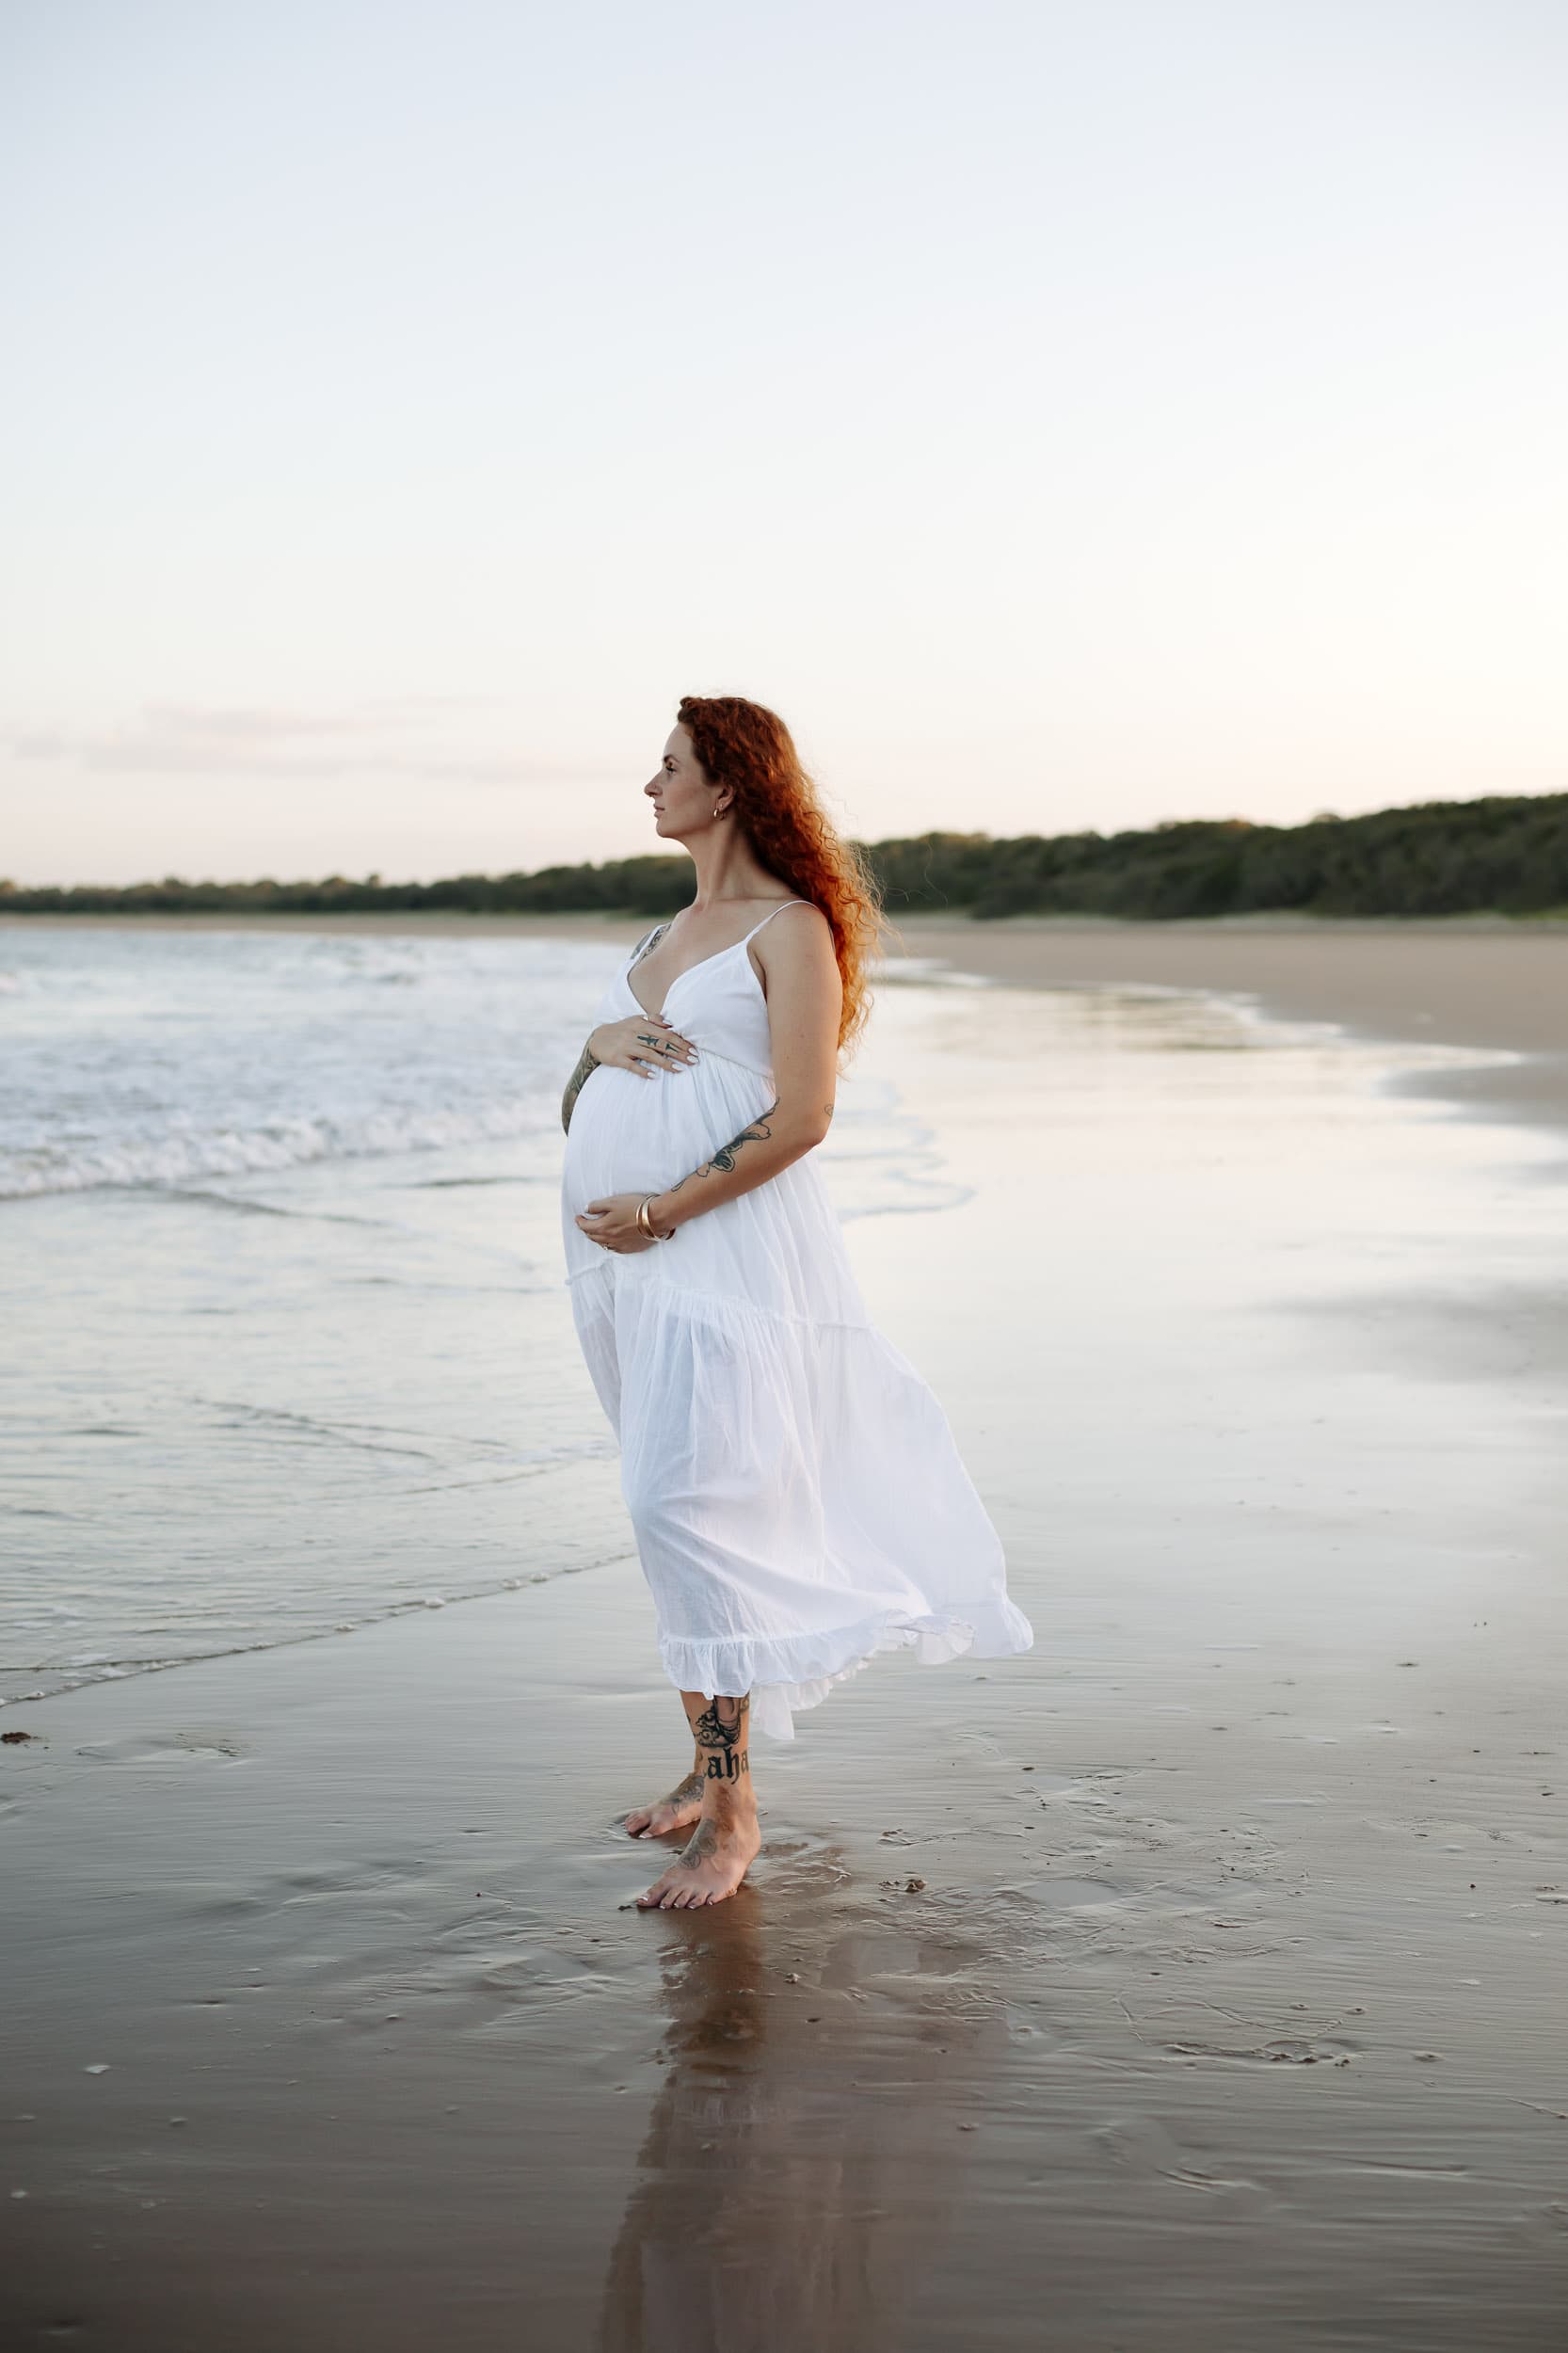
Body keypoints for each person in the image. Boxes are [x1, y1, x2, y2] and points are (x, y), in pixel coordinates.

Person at [559, 695, 1033, 1911]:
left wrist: (663, 1206)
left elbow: (804, 1115)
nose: (647, 786)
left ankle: (732, 1817)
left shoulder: (790, 928)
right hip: (622, 1268)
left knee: (684, 1506)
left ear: (728, 786)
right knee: (694, 1497)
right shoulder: (661, 935)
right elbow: (582, 1108)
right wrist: (594, 1048)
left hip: (721, 1261)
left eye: (667, 768)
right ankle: (710, 1757)